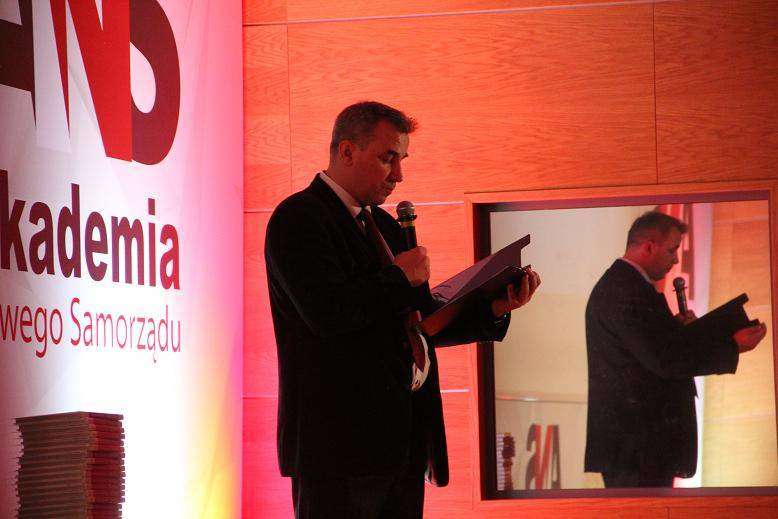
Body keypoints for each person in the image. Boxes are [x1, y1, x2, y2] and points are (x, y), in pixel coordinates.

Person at [265, 101, 540, 518]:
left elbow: (417, 324)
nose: (398, 175)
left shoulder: (386, 226)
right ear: (346, 152)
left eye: (402, 160)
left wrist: (494, 307)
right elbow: (327, 314)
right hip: (338, 448)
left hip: (402, 443)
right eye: (387, 158)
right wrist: (398, 277)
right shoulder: (299, 218)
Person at [584, 211, 766, 488]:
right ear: (649, 247)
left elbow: (654, 347)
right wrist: (732, 346)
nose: (676, 260)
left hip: (640, 445)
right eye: (672, 250)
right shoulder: (625, 290)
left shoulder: (627, 286)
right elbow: (664, 359)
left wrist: (677, 330)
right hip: (637, 447)